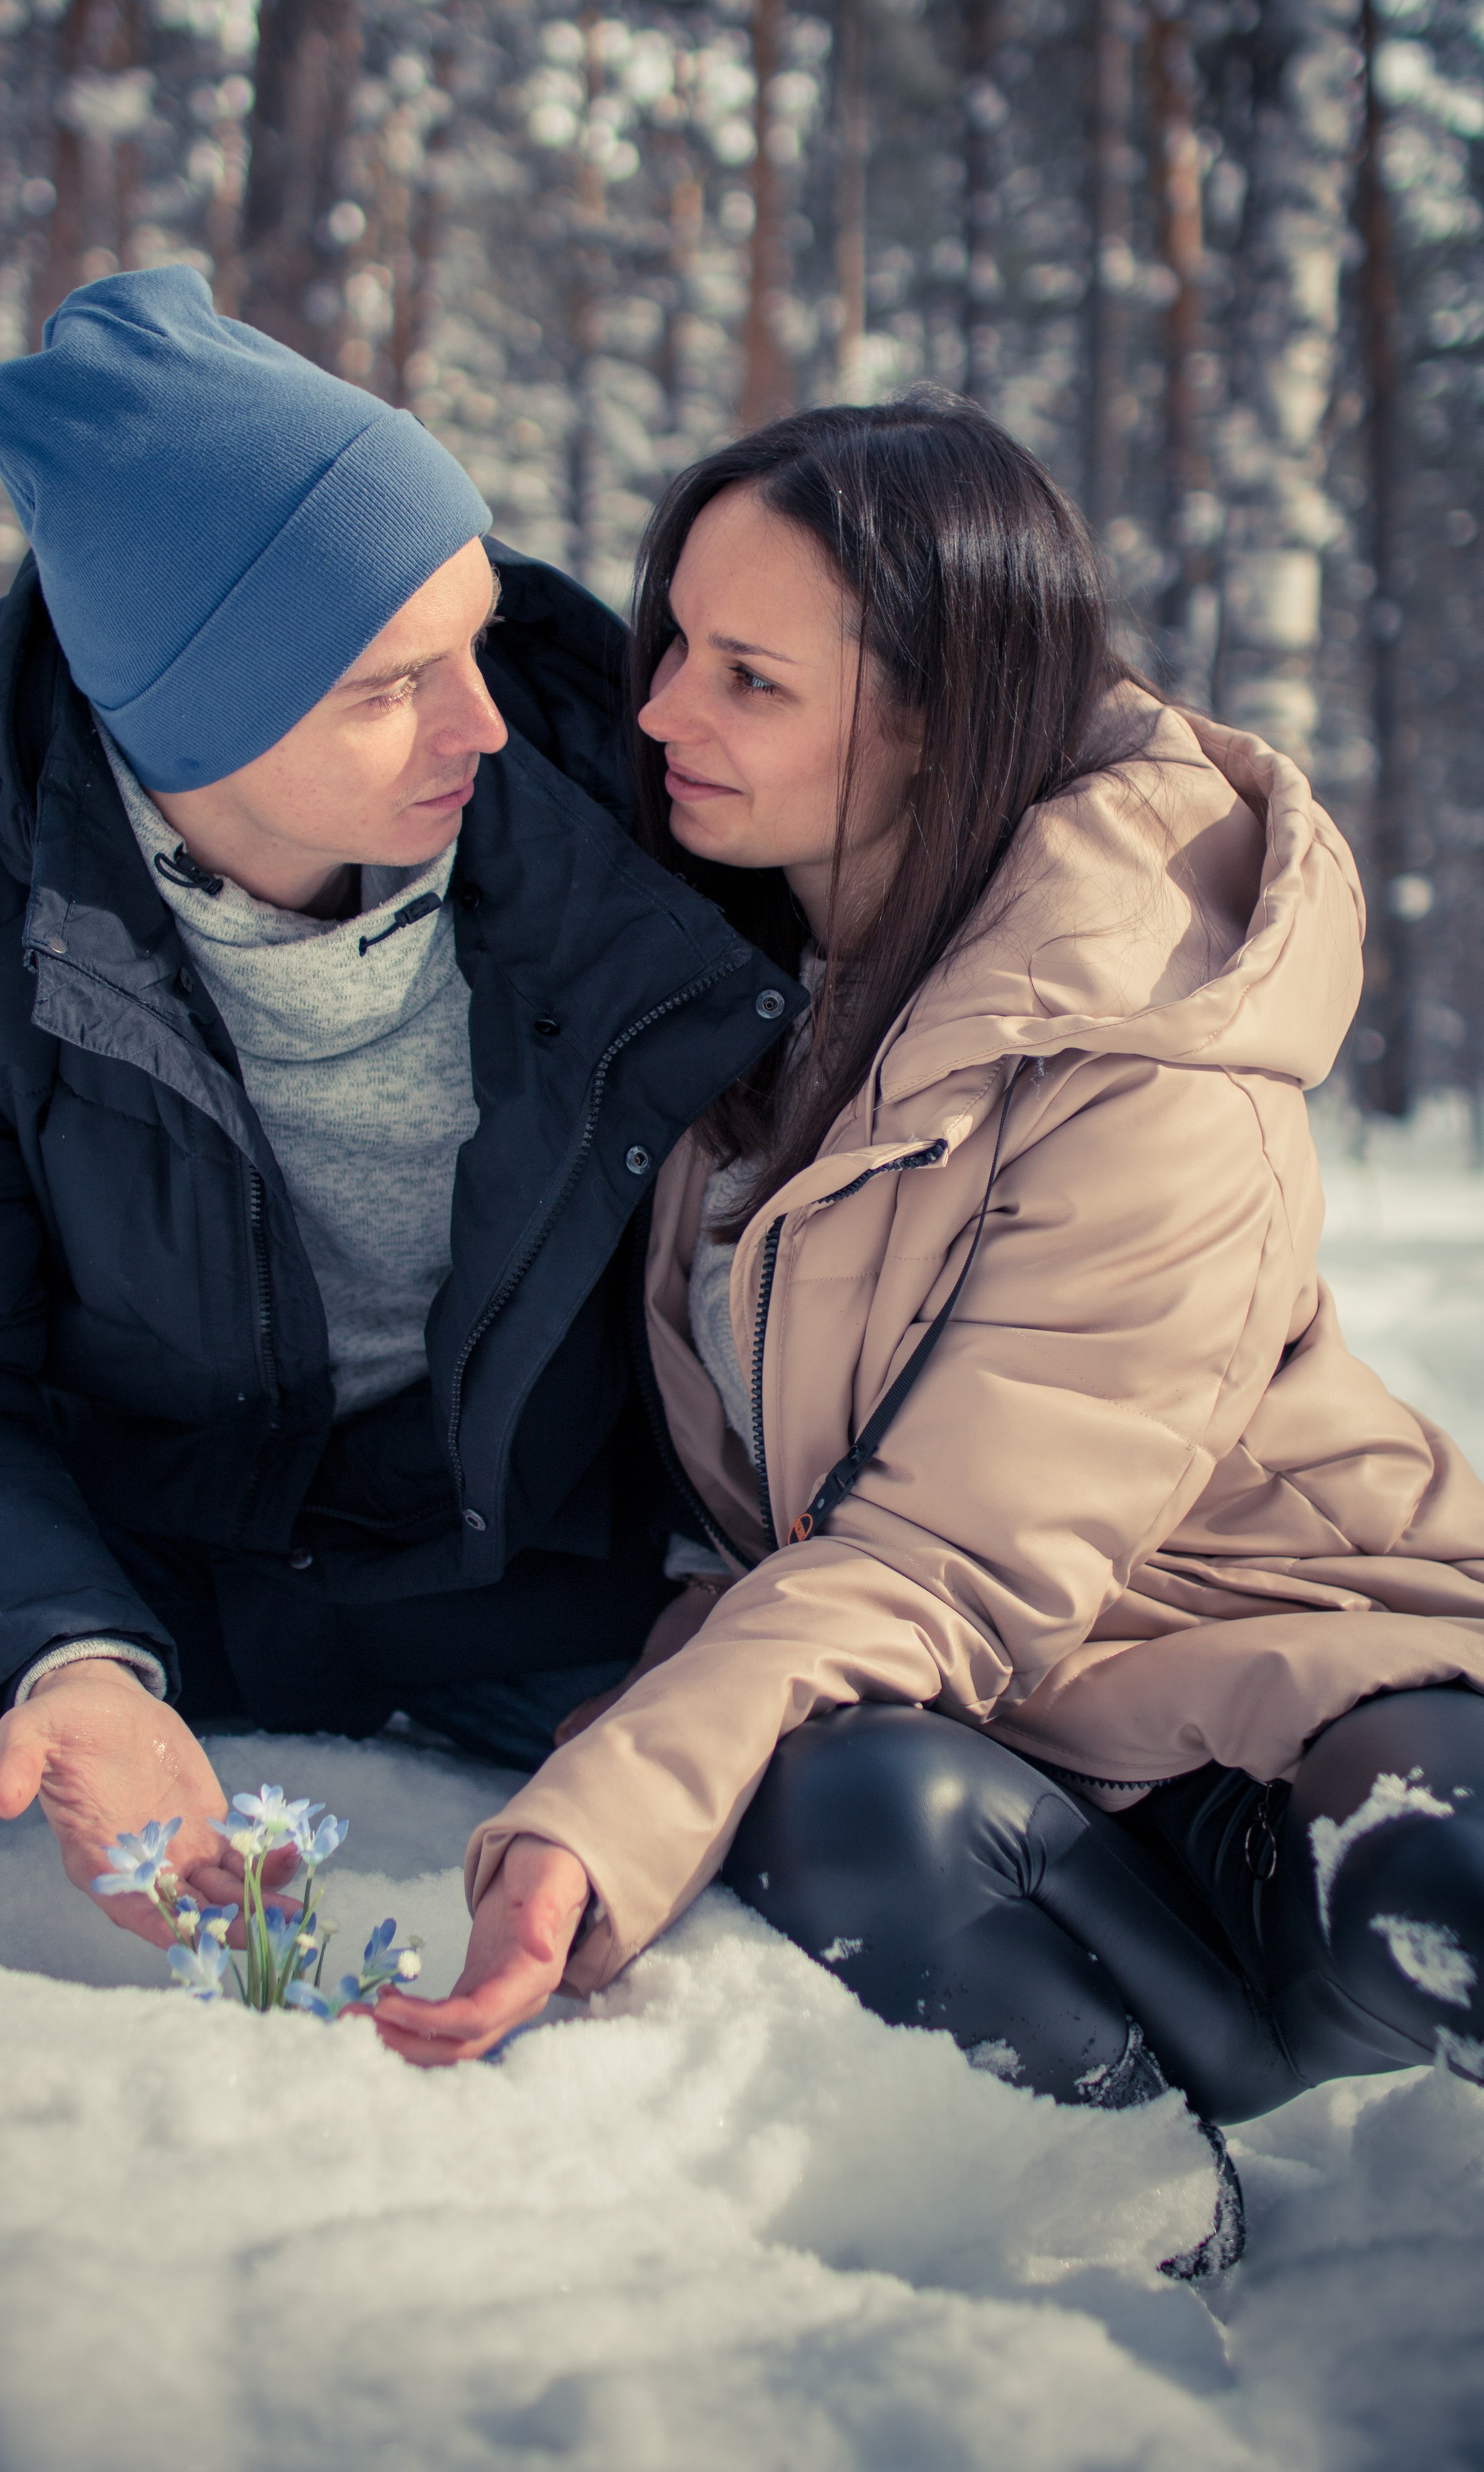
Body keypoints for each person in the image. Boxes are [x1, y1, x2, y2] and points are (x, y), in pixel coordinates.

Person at [377, 398, 1484, 2256]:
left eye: (750, 677)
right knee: (846, 1801)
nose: (664, 717)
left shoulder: (1154, 1059)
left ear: (937, 712)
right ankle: (1126, 2181)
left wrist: (602, 1814)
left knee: (1431, 1868)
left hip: (1280, 1695)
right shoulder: (745, 988)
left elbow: (945, 1561)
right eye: (670, 653)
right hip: (1001, 1748)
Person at [0, 266, 796, 1945]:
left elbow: (957, 838)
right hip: (138, 1536)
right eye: (385, 685)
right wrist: (67, 1662)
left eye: (470, 633)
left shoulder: (632, 789)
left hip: (536, 1566)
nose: (479, 717)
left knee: (842, 1785)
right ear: (182, 717)